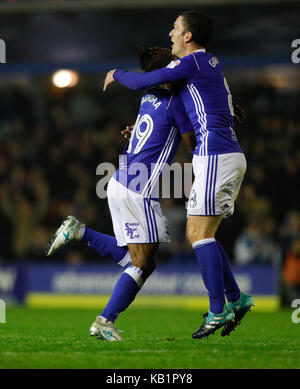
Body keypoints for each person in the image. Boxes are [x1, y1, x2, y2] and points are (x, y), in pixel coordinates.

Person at [103, 10, 255, 339]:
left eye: (175, 28)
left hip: (216, 154)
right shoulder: (206, 65)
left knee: (198, 233)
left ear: (188, 36)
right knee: (205, 231)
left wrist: (116, 73)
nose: (170, 33)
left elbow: (144, 80)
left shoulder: (192, 63)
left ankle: (218, 311)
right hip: (221, 154)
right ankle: (236, 299)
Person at [46, 47, 195, 341]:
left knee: (141, 262)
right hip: (137, 190)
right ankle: (104, 321)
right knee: (141, 263)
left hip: (123, 182)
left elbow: (155, 130)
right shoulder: (176, 103)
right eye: (176, 65)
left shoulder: (149, 97)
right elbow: (194, 145)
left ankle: (82, 233)